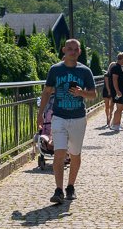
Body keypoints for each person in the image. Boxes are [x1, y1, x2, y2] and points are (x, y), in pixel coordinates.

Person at [37, 39, 96, 204]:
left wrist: (81, 93)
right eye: (69, 49)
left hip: (78, 117)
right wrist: (40, 114)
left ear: (79, 51)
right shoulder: (55, 70)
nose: (72, 51)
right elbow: (47, 91)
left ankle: (71, 186)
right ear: (64, 50)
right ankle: (58, 190)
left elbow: (93, 94)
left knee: (75, 154)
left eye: (75, 49)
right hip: (59, 116)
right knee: (59, 152)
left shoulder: (85, 71)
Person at [108, 52, 123, 131]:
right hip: (117, 91)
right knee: (119, 107)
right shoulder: (116, 67)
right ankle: (115, 124)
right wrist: (117, 90)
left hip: (121, 91)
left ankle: (117, 123)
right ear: (122, 59)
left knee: (121, 107)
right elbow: (114, 79)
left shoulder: (119, 67)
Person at [102, 63, 114, 128]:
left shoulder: (115, 75)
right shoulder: (106, 75)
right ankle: (107, 118)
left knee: (111, 105)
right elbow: (106, 84)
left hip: (113, 91)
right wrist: (109, 91)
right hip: (106, 91)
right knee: (107, 106)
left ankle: (110, 117)